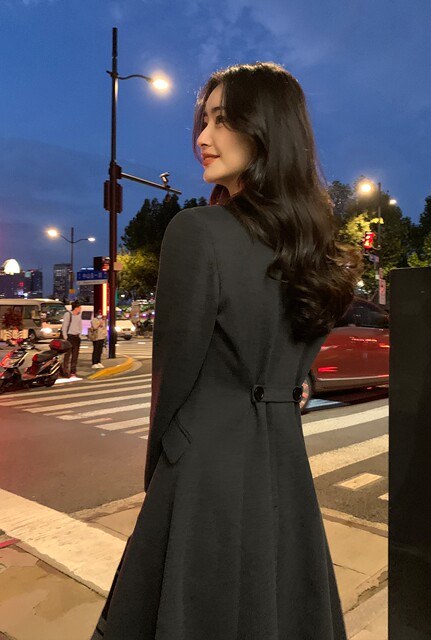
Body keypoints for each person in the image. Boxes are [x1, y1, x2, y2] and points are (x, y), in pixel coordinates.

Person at [91, 62, 362, 640]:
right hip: (283, 465)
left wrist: (162, 476)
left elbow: (173, 378)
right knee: (278, 608)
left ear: (266, 130)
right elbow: (298, 374)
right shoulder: (314, 248)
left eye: (222, 120)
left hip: (204, 467)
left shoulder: (199, 231)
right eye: (204, 120)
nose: (203, 137)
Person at [61, 300, 82, 378]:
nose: (80, 309)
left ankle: (73, 372)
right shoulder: (68, 314)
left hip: (76, 337)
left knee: (75, 356)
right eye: (79, 308)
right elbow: (64, 326)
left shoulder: (79, 315)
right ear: (76, 308)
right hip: (69, 337)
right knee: (67, 356)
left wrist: (79, 334)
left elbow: (80, 325)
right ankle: (65, 372)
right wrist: (65, 337)